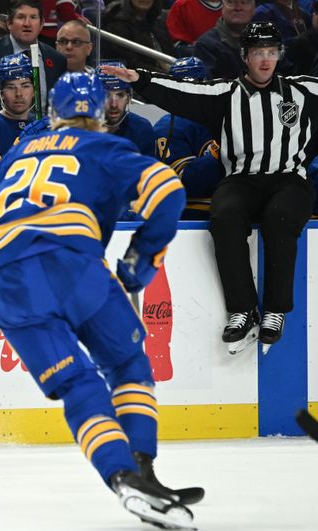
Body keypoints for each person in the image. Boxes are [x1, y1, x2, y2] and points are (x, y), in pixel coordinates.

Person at [0, 72, 201, 530]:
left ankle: (122, 477)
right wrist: (140, 261)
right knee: (127, 365)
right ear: (102, 118)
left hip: (9, 277)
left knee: (78, 385)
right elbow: (168, 189)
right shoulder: (106, 147)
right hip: (73, 264)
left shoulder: (18, 153)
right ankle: (142, 467)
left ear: (52, 116)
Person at [100, 21, 318, 355]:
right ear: (245, 56)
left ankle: (275, 311)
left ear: (278, 56)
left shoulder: (302, 90)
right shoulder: (225, 94)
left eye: (271, 52)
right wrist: (141, 78)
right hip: (241, 179)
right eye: (258, 52)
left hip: (289, 179)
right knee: (224, 217)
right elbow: (183, 92)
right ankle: (243, 310)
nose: (265, 60)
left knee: (281, 217)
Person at [0, 0, 67, 113]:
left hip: (44, 128)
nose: (27, 23)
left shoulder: (57, 59)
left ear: (41, 24)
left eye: (33, 17)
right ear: (9, 23)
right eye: (21, 17)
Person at [153, 56, 223, 219]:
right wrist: (217, 152)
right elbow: (182, 183)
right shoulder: (167, 127)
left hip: (232, 206)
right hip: (191, 215)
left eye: (196, 86)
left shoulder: (224, 117)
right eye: (183, 87)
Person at [97, 62, 156, 157]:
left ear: (129, 98)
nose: (114, 104)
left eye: (120, 95)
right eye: (106, 95)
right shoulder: (81, 128)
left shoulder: (141, 128)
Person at [101, 0, 177, 74]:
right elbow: (132, 65)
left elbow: (171, 53)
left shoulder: (158, 19)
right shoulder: (116, 24)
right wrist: (167, 75)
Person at [194, 0, 256, 79]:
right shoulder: (206, 45)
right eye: (231, 2)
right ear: (222, 7)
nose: (238, 8)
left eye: (244, 2)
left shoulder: (266, 41)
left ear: (254, 9)